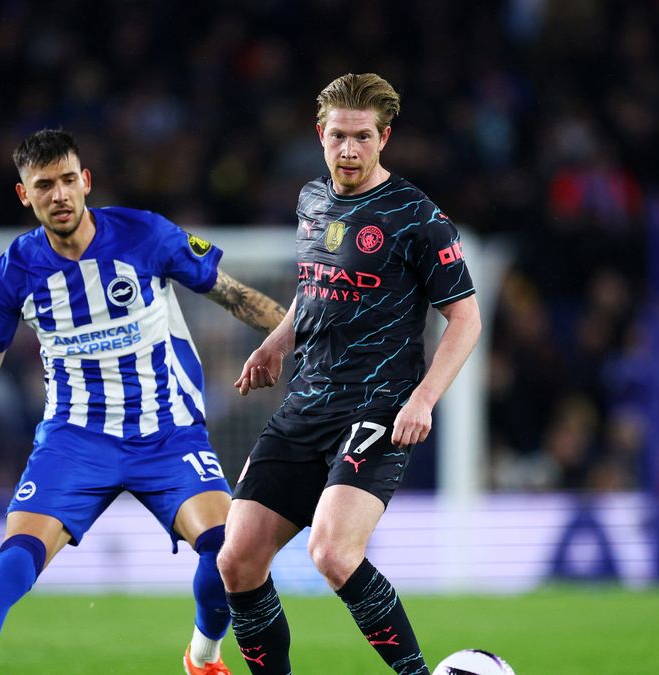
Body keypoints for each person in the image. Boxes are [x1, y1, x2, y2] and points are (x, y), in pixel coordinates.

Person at [0, 128, 287, 675]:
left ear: (86, 181)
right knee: (10, 568)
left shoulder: (144, 235)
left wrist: (300, 333)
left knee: (228, 556)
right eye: (44, 185)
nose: (60, 195)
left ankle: (203, 656)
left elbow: (232, 294)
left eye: (69, 180)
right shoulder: (13, 272)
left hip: (168, 433)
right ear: (25, 195)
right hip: (75, 441)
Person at [217, 73, 482, 674]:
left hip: (378, 405)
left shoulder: (419, 218)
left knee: (333, 552)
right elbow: (315, 292)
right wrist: (277, 341)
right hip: (305, 403)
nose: (349, 150)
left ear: (384, 137)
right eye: (338, 136)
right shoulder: (312, 201)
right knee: (236, 559)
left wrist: (424, 399)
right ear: (320, 134)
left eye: (362, 137)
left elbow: (465, 320)